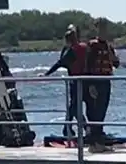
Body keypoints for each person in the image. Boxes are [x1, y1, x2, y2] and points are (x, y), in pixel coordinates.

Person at [44, 25, 88, 137]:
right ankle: (82, 128)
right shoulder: (83, 48)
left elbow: (59, 63)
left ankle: (71, 128)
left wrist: (46, 74)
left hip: (76, 82)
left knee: (73, 106)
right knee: (75, 106)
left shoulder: (71, 51)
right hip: (86, 81)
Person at [84, 17, 120, 147]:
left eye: (105, 28)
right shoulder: (93, 45)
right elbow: (87, 65)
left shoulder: (108, 47)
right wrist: (90, 84)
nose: (104, 31)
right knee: (95, 109)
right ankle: (94, 135)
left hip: (106, 81)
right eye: (101, 28)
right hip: (96, 81)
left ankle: (99, 132)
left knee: (103, 108)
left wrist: (116, 59)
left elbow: (116, 63)